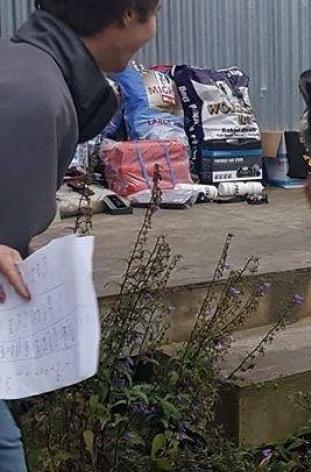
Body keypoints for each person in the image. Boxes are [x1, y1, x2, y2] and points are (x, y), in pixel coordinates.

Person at [0, 1, 160, 469]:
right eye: (155, 14)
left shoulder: (25, 69)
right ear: (128, 14)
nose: (153, 30)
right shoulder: (34, 94)